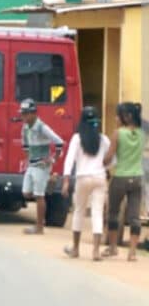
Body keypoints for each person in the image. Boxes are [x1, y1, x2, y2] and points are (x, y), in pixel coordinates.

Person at [62, 107, 110, 261]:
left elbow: (69, 160)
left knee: (79, 212)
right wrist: (104, 167)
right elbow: (112, 160)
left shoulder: (77, 138)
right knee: (97, 213)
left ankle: (75, 248)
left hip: (82, 178)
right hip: (99, 178)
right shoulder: (104, 139)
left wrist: (66, 180)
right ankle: (96, 251)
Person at [102, 103, 145, 261]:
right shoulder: (141, 134)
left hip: (120, 177)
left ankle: (113, 247)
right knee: (134, 217)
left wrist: (102, 163)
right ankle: (132, 252)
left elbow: (109, 157)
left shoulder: (117, 133)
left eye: (118, 115)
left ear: (126, 117)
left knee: (113, 213)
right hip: (138, 178)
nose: (116, 118)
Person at [19, 99, 64, 235]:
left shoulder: (42, 127)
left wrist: (53, 159)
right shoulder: (25, 128)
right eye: (23, 113)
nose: (24, 117)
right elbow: (25, 145)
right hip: (32, 164)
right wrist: (27, 159)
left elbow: (59, 142)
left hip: (42, 165)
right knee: (26, 192)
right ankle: (50, 180)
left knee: (39, 196)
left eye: (26, 114)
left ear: (33, 113)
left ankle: (39, 227)